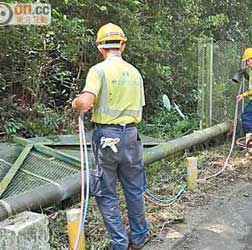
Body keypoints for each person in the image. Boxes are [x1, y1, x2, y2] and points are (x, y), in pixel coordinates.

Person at [72, 23, 149, 250]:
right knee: (134, 189)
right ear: (122, 45)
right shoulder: (135, 73)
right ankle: (139, 237)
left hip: (107, 138)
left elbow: (86, 102)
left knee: (106, 192)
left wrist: (77, 102)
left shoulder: (99, 70)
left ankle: (119, 243)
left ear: (100, 47)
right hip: (132, 137)